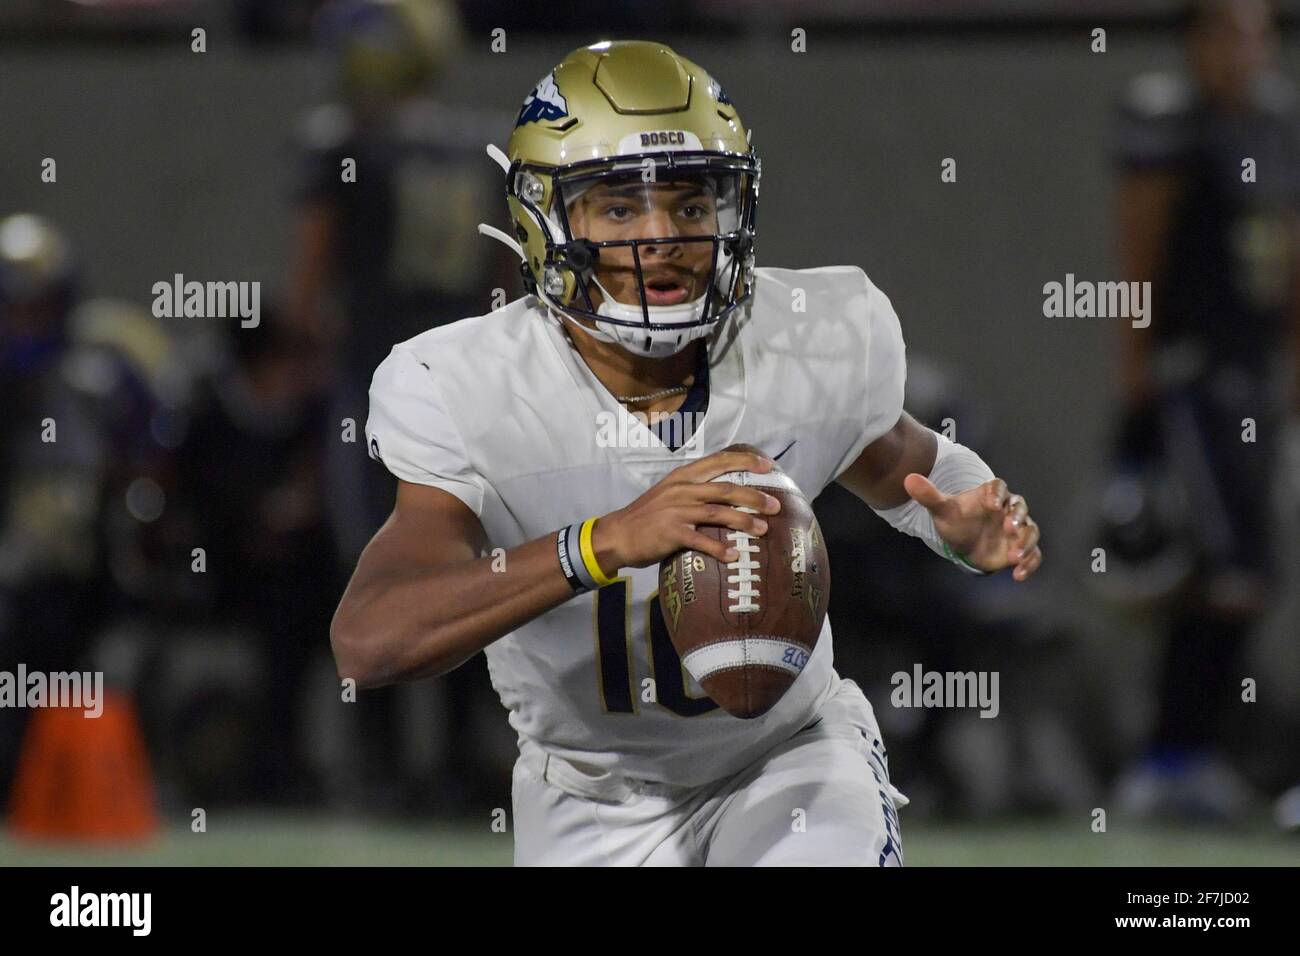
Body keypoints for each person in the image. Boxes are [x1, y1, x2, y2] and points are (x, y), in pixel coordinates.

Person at [331, 41, 1042, 866]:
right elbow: (371, 638)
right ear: (545, 221)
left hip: (787, 759)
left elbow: (908, 469)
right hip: (588, 794)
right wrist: (602, 543)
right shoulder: (472, 382)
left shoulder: (806, 338)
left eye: (690, 205)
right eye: (619, 209)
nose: (661, 238)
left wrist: (963, 523)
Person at [1110, 0, 1300, 821]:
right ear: (1195, 41)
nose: (1245, 49)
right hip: (1196, 374)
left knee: (1249, 571)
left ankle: (1192, 752)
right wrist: (1137, 391)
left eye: (1258, 31)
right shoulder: (1172, 124)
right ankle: (1169, 757)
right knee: (1217, 570)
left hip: (1256, 375)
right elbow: (1139, 256)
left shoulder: (1277, 125)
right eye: (1227, 31)